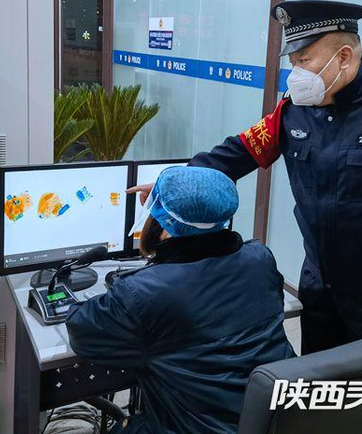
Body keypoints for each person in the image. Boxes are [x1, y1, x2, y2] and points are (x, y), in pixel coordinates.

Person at [128, 0, 362, 355]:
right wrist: (176, 184)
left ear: (344, 57)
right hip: (320, 285)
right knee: (319, 380)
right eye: (293, 63)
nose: (296, 74)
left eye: (304, 61)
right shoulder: (294, 110)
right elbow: (240, 151)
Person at [66, 166, 295, 433]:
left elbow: (82, 334)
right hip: (274, 420)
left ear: (162, 220)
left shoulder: (144, 293)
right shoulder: (259, 259)